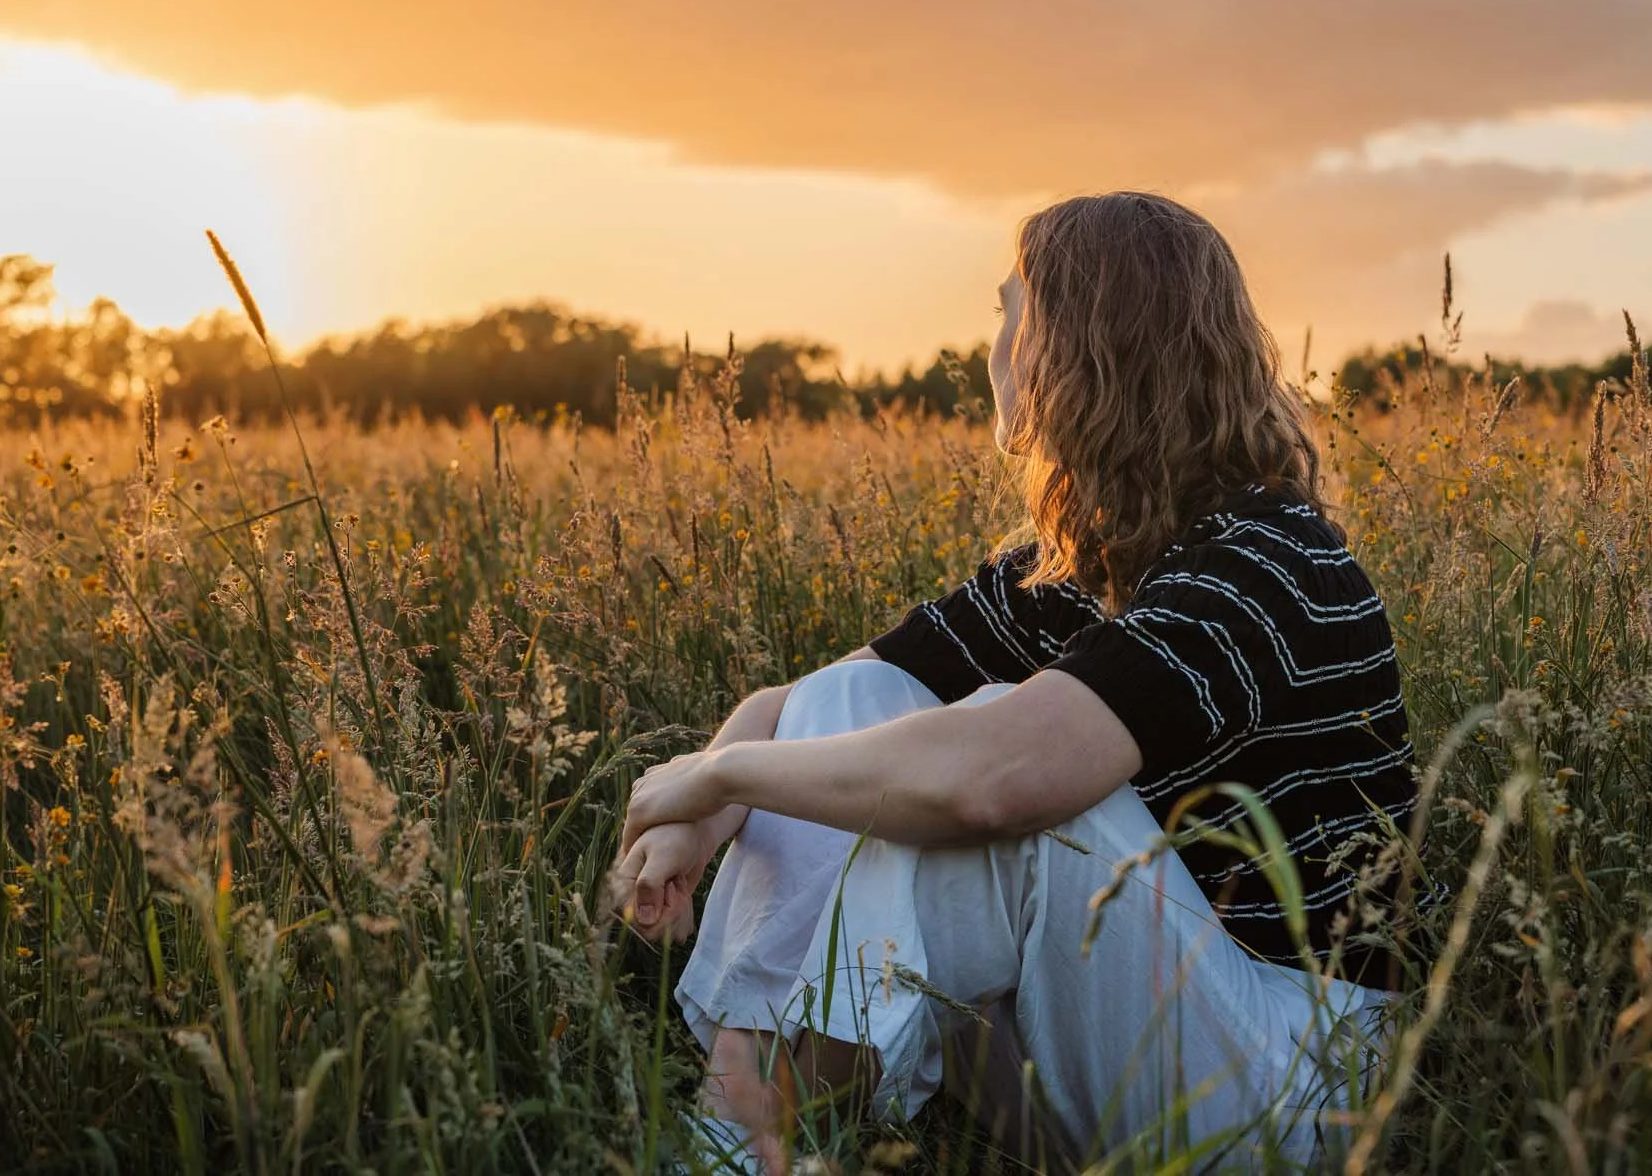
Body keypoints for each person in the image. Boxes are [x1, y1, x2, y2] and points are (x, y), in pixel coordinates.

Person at [608, 192, 1425, 1174]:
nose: (990, 345)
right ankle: (741, 1129)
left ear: (1080, 345)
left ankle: (739, 1138)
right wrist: (698, 816)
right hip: (1142, 1044)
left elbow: (993, 782)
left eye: (1010, 313)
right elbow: (810, 703)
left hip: (1304, 1084)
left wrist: (723, 776)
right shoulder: (1078, 564)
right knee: (853, 709)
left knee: (1000, 788)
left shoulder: (1264, 561)